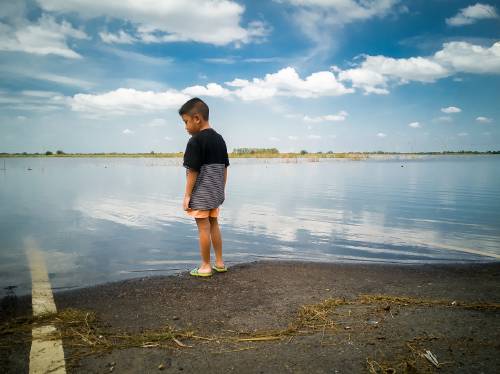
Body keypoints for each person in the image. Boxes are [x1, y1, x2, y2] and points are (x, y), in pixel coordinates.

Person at [179, 97, 230, 277]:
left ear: (197, 119)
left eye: (186, 122)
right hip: (215, 193)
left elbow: (193, 171)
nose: (185, 127)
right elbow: (224, 169)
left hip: (201, 194)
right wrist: (221, 191)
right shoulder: (220, 139)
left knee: (203, 228)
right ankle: (220, 263)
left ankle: (206, 266)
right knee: (214, 224)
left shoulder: (195, 141)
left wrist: (187, 196)